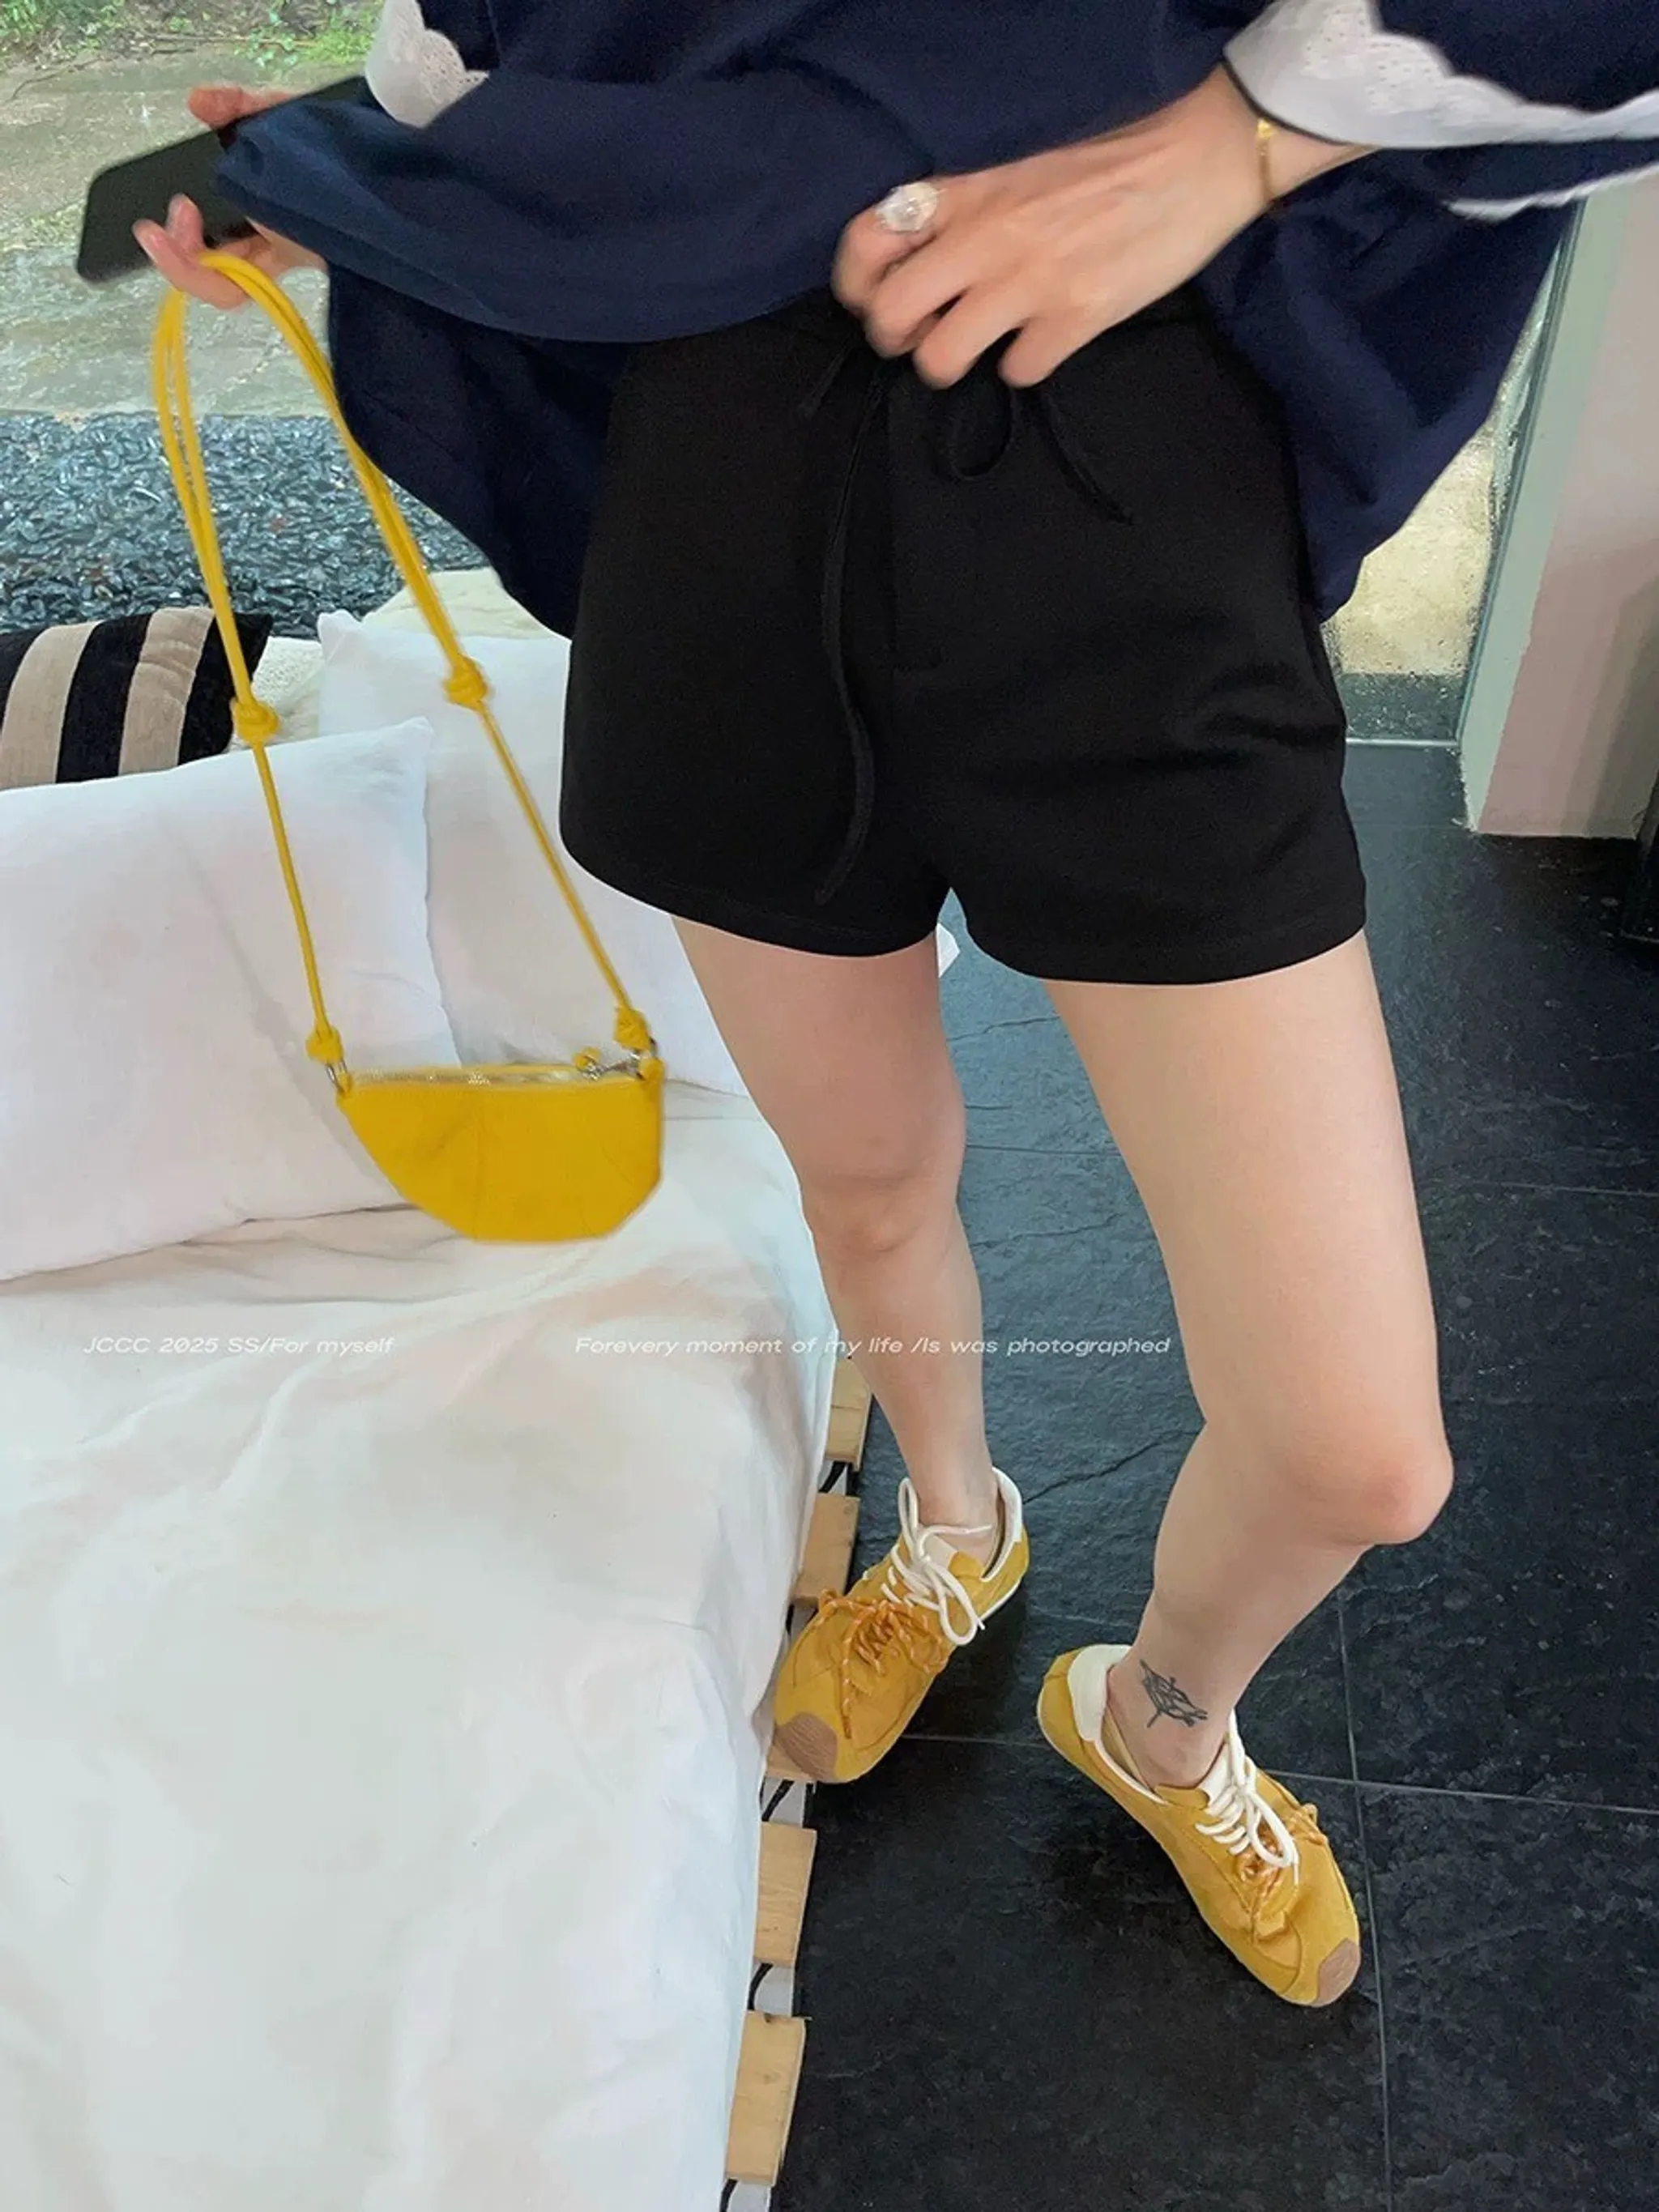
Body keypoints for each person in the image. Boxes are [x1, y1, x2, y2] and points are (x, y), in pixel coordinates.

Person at [141, 1, 1659, 2011]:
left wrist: (1250, 133)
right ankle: (955, 1528)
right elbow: (497, 52)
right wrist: (359, 171)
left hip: (1130, 509)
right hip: (723, 529)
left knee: (1356, 1445)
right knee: (863, 1185)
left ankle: (1162, 1718)